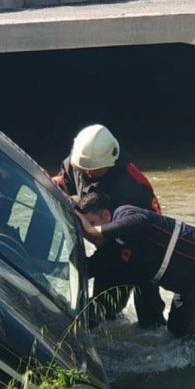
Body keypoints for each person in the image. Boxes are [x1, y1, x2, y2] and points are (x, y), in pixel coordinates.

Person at [75, 192, 195, 338]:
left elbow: (140, 222)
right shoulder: (113, 246)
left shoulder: (126, 213)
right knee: (177, 331)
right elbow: (88, 268)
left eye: (91, 223)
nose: (89, 233)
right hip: (192, 282)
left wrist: (94, 231)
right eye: (86, 229)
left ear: (105, 214)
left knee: (194, 338)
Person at [51, 124, 165, 327]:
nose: (86, 174)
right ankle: (106, 320)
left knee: (148, 309)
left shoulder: (131, 189)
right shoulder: (81, 161)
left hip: (141, 245)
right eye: (82, 169)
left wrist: (86, 269)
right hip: (107, 235)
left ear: (110, 162)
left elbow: (122, 247)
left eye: (92, 171)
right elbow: (65, 180)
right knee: (100, 308)